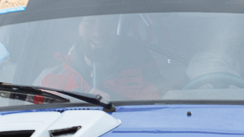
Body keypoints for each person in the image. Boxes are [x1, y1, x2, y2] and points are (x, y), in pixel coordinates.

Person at [38, 15, 167, 100]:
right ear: (78, 28)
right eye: (89, 22)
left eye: (108, 21)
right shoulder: (49, 80)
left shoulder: (148, 76)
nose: (99, 32)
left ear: (121, 29)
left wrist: (117, 104)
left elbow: (167, 115)